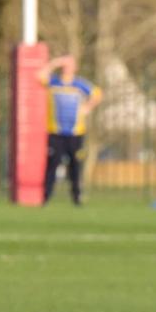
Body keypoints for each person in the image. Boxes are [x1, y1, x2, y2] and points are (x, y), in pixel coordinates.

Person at [42, 55, 101, 206]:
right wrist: (55, 62)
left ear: (75, 68)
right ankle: (46, 196)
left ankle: (77, 197)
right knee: (52, 164)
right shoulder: (53, 82)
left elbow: (98, 94)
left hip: (75, 133)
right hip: (56, 132)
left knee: (75, 165)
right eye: (65, 65)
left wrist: (87, 107)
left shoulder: (80, 85)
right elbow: (38, 76)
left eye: (69, 65)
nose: (66, 68)